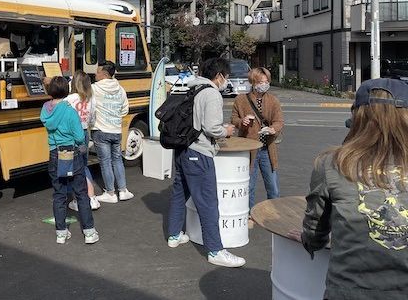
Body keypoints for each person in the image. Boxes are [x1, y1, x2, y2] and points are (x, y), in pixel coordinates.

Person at [294, 78, 408, 299]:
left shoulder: (333, 164)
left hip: (350, 291)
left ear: (358, 117)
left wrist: (309, 240)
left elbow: (315, 231)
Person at [166, 57, 246, 268]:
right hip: (199, 152)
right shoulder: (211, 93)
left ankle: (174, 235)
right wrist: (226, 131)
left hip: (183, 149)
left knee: (179, 193)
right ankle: (215, 250)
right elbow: (212, 128)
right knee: (208, 202)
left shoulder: (192, 88)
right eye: (226, 77)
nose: (226, 81)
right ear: (219, 76)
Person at [40, 76, 99, 245]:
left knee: (59, 194)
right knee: (80, 193)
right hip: (71, 154)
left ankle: (61, 233)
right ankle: (89, 232)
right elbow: (80, 137)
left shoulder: (45, 109)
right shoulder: (69, 111)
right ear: (67, 90)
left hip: (54, 154)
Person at [231, 67, 284, 213]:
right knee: (249, 186)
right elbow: (234, 119)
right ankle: (248, 214)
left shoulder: (273, 100)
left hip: (267, 149)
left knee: (273, 187)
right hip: (249, 150)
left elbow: (279, 121)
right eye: (261, 81)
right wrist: (242, 121)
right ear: (253, 82)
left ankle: (274, 213)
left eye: (266, 81)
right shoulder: (241, 100)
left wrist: (273, 129)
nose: (264, 84)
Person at [91, 60, 134, 203]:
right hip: (116, 130)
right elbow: (125, 109)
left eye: (97, 72)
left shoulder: (94, 88)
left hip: (101, 130)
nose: (95, 74)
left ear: (103, 74)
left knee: (105, 162)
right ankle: (123, 190)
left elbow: (90, 106)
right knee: (117, 160)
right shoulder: (120, 88)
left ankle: (110, 193)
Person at [65, 71, 100, 211]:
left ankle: (77, 199)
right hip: (84, 133)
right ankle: (92, 197)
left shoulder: (68, 99)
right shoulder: (91, 98)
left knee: (70, 167)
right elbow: (92, 118)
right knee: (83, 165)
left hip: (70, 135)